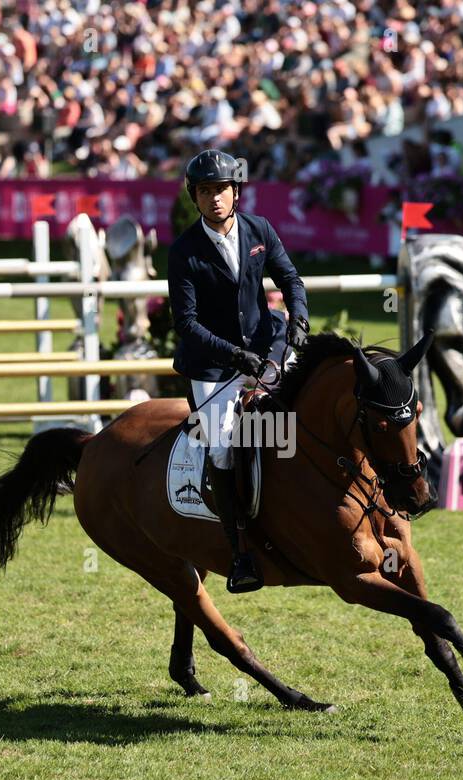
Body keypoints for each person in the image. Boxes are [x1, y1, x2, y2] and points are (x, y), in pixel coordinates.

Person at [167, 148, 310, 593]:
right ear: (195, 196)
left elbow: (290, 279)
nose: (215, 199)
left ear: (236, 192)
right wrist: (234, 356)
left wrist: (299, 320)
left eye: (222, 190)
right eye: (206, 191)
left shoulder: (258, 230)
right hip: (212, 365)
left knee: (299, 415)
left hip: (266, 345)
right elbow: (187, 324)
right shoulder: (184, 251)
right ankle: (240, 552)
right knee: (226, 447)